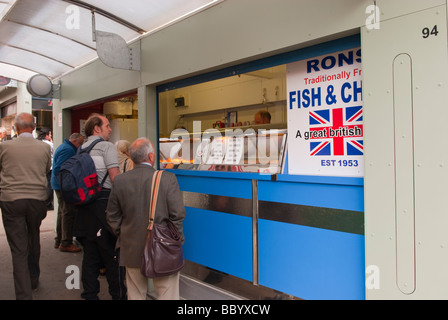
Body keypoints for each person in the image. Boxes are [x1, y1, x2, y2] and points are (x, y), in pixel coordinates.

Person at [106, 137, 186, 300]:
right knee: (167, 294)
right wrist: (176, 240)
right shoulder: (167, 178)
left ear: (132, 158)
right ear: (151, 156)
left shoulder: (120, 181)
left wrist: (123, 234)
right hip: (162, 247)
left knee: (135, 294)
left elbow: (112, 215)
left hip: (131, 248)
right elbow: (177, 214)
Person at [73, 113, 126, 300]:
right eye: (107, 125)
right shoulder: (106, 146)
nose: (110, 129)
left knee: (90, 257)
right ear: (97, 128)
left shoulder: (81, 149)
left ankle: (90, 295)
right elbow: (115, 177)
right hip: (103, 206)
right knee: (112, 255)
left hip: (84, 208)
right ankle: (118, 295)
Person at [0, 113, 51, 299]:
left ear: (15, 128)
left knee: (18, 249)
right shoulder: (44, 148)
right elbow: (46, 169)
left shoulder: (4, 147)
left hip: (11, 200)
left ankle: (24, 294)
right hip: (36, 200)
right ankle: (33, 278)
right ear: (34, 126)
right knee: (33, 236)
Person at [51, 132, 84, 252]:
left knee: (62, 212)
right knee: (68, 213)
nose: (80, 146)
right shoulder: (68, 150)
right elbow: (58, 168)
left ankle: (59, 240)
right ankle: (66, 242)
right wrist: (67, 183)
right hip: (63, 186)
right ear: (75, 142)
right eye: (80, 144)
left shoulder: (64, 146)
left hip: (58, 184)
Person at [37, 127, 54, 210]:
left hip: (40, 166)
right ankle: (48, 203)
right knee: (49, 185)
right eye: (50, 134)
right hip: (50, 167)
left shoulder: (37, 143)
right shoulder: (49, 144)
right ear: (46, 135)